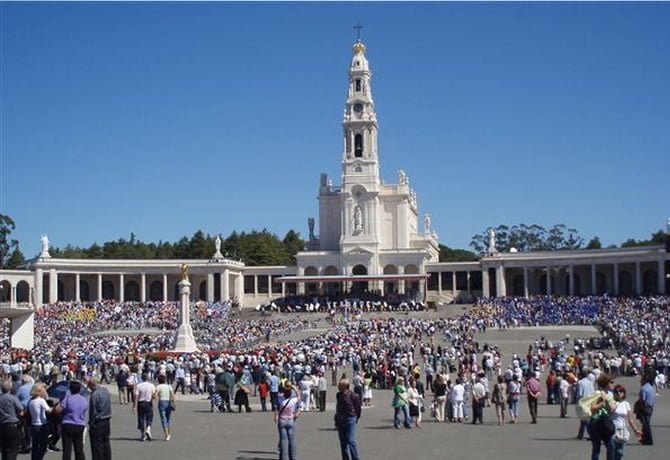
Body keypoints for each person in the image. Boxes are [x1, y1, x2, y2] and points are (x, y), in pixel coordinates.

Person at [58, 381, 88, 460]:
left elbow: (59, 410)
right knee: (79, 448)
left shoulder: (67, 398)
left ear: (70, 389)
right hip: (80, 424)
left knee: (67, 449)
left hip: (68, 423)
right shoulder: (84, 400)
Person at [589, 374, 616, 460]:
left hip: (606, 421)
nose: (613, 384)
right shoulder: (597, 393)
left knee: (611, 446)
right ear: (605, 383)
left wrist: (607, 401)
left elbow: (612, 409)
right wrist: (602, 403)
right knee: (596, 448)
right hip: (596, 422)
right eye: (611, 382)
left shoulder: (611, 394)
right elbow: (592, 408)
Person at [610, 384, 641, 460]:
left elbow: (630, 419)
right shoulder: (611, 402)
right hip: (611, 430)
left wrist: (635, 430)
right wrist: (614, 405)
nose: (618, 393)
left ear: (624, 393)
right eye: (616, 391)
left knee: (620, 452)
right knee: (612, 452)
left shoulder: (626, 404)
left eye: (621, 391)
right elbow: (609, 414)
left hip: (622, 430)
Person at [86, 378, 112, 460]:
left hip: (98, 421)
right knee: (106, 442)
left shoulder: (94, 395)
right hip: (106, 419)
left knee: (97, 445)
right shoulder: (106, 391)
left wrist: (91, 423)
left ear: (91, 385)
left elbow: (93, 411)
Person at [335, 377, 361, 460]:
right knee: (343, 442)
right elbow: (338, 407)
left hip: (350, 418)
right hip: (340, 418)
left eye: (340, 386)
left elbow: (358, 408)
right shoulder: (338, 395)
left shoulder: (353, 395)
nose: (339, 388)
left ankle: (355, 458)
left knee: (351, 440)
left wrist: (357, 417)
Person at [274, 384, 301, 460]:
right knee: (292, 440)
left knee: (283, 440)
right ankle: (293, 457)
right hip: (291, 420)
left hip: (282, 420)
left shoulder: (282, 401)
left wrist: (276, 416)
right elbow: (299, 396)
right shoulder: (292, 401)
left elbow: (277, 408)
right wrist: (294, 388)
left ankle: (283, 457)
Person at [0, 378, 24, 460]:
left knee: (4, 449)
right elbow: (20, 408)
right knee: (13, 449)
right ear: (10, 388)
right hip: (12, 424)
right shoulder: (12, 398)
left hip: (2, 425)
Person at [28, 383, 53, 460]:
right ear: (39, 391)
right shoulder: (41, 400)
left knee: (35, 445)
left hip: (33, 424)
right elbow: (49, 410)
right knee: (43, 445)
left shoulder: (31, 401)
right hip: (42, 424)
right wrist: (54, 407)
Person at [133, 372, 156, 442]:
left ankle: (142, 434)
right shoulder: (152, 385)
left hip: (141, 402)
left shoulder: (139, 385)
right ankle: (148, 429)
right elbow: (154, 395)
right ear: (148, 378)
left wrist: (134, 406)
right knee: (149, 417)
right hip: (148, 402)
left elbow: (136, 396)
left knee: (141, 418)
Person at [636, 369, 655, 445]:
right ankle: (644, 439)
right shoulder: (651, 387)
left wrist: (638, 408)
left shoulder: (643, 388)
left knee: (646, 424)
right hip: (650, 407)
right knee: (646, 423)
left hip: (644, 407)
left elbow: (642, 400)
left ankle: (648, 440)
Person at [576, 370, 596, 439]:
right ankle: (580, 434)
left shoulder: (580, 383)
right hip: (590, 401)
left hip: (584, 402)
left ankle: (592, 434)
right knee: (584, 419)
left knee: (585, 419)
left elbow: (580, 394)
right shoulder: (590, 382)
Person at [155, 374, 175, 441]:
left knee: (163, 419)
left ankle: (166, 435)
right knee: (168, 418)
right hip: (168, 401)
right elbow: (172, 395)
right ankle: (169, 433)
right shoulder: (169, 386)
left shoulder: (158, 386)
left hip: (162, 402)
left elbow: (155, 395)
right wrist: (173, 401)